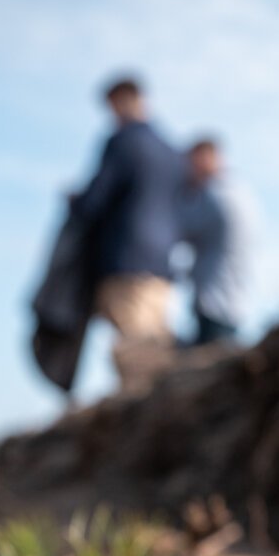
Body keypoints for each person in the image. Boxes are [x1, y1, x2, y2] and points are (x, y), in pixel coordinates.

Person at [67, 75, 185, 393]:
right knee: (157, 347)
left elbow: (95, 201)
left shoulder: (122, 142)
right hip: (163, 266)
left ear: (122, 100)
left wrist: (76, 202)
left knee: (137, 358)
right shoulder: (172, 151)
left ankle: (146, 429)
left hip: (126, 261)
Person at [176, 136, 252, 346]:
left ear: (203, 159)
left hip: (215, 303)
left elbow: (180, 226)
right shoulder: (237, 190)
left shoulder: (214, 195)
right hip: (233, 301)